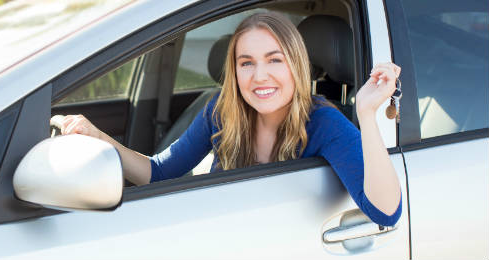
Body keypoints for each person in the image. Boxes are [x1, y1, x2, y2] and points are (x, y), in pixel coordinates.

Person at [57, 13, 402, 226]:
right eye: (247, 63)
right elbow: (160, 172)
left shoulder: (325, 123)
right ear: (234, 71)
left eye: (274, 60)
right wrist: (101, 140)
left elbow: (385, 212)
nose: (260, 76)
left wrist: (367, 115)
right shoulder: (220, 111)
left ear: (296, 65)